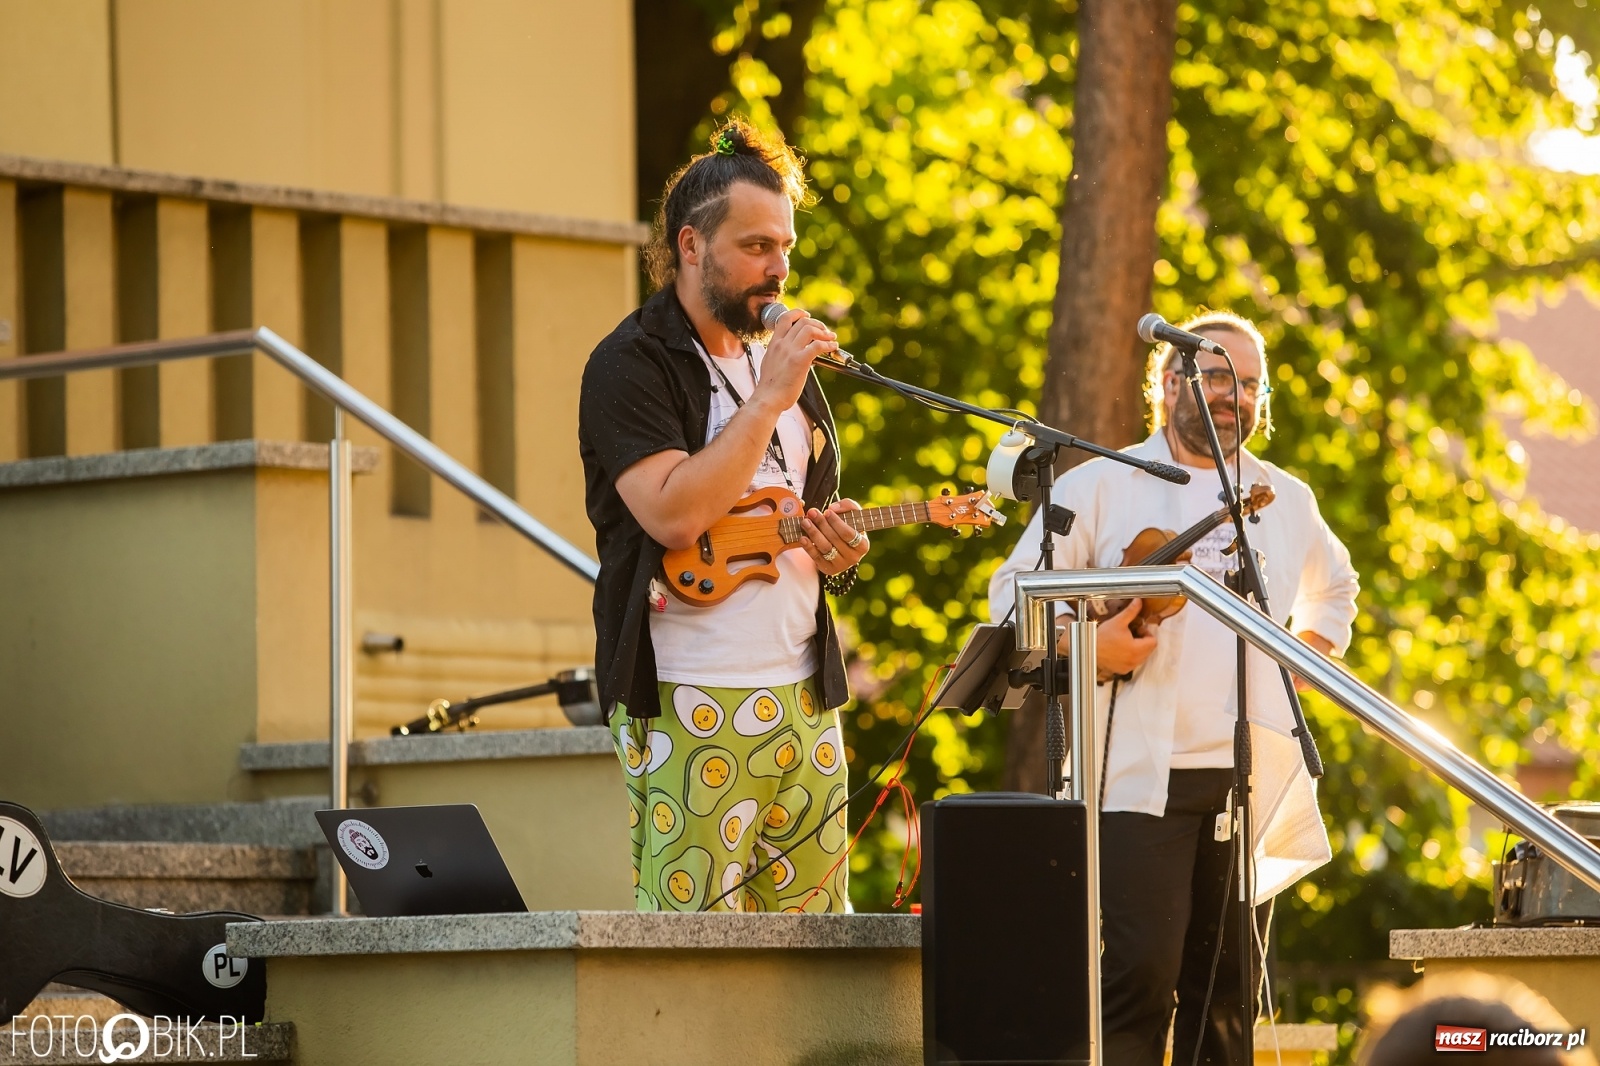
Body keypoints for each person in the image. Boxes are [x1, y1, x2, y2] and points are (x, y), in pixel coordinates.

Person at [987, 310, 1359, 1065]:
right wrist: (1091, 648)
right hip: (1134, 780)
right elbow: (1011, 596)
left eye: (1250, 382)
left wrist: (1299, 662)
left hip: (1246, 777)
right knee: (1138, 979)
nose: (1235, 395)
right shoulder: (1099, 484)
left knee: (1228, 993)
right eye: (1219, 375)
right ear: (1170, 381)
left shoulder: (1286, 497)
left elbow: (1337, 591)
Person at [579, 120, 868, 915]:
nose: (778, 270)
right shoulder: (630, 364)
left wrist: (835, 549)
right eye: (755, 247)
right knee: (691, 938)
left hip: (803, 701)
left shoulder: (781, 368)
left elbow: (791, 516)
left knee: (818, 946)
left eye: (786, 248)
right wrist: (772, 393)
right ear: (691, 246)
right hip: (688, 693)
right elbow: (673, 514)